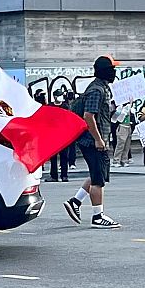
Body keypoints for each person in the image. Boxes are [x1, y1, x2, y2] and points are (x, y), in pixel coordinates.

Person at [63, 55, 121, 229]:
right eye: (112, 69)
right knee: (98, 180)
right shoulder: (96, 90)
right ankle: (98, 216)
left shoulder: (102, 88)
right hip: (93, 141)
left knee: (98, 173)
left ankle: (75, 202)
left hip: (98, 139)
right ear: (106, 71)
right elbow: (89, 116)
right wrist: (98, 139)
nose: (114, 72)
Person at [46, 89, 71, 182]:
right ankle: (54, 176)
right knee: (53, 157)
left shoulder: (65, 106)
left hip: (64, 134)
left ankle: (64, 175)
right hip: (52, 134)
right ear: (55, 96)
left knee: (64, 156)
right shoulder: (50, 106)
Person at [111, 101, 134, 167]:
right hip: (122, 127)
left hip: (128, 126)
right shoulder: (119, 109)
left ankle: (124, 160)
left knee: (127, 145)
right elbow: (115, 119)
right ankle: (116, 160)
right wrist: (122, 112)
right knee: (120, 145)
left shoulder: (129, 108)